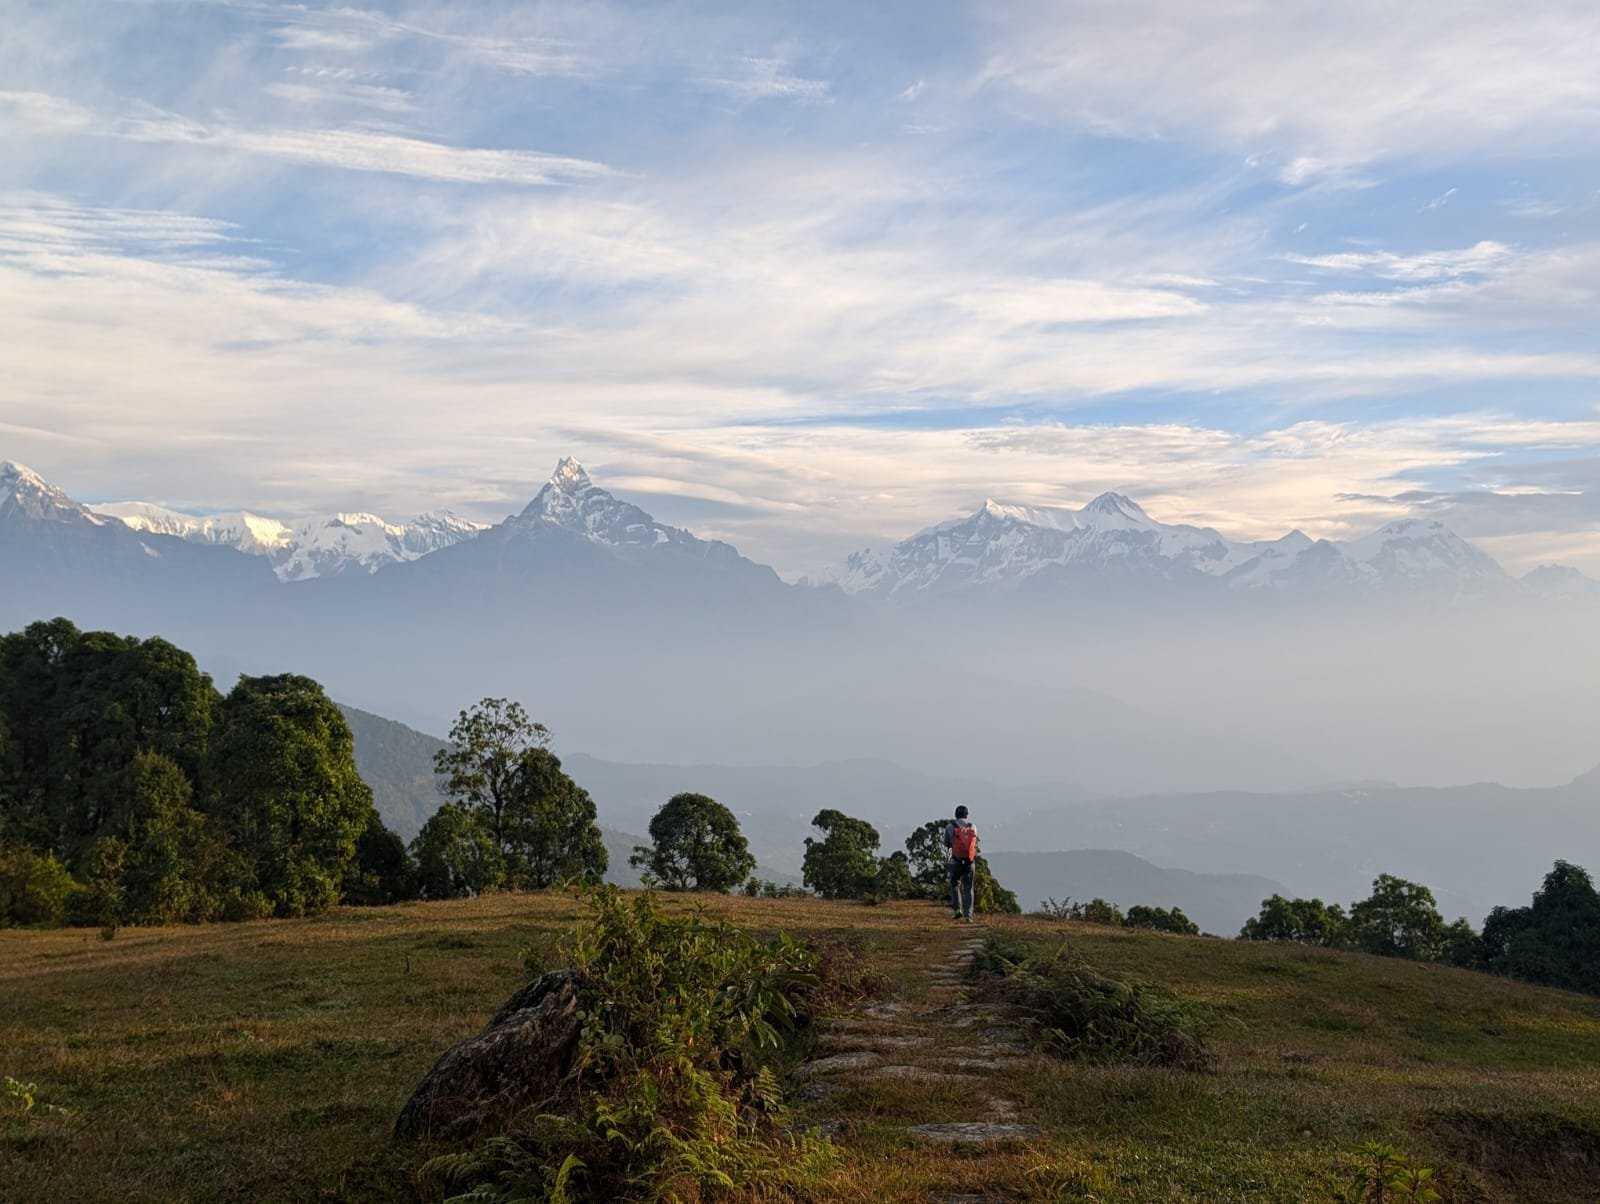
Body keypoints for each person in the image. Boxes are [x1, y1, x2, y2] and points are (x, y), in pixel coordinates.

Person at [942, 805, 979, 921]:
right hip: (969, 862)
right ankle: (968, 916)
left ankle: (958, 910)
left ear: (956, 815)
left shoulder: (950, 827)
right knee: (969, 888)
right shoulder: (973, 827)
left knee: (954, 885)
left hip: (955, 861)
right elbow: (975, 843)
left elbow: (946, 843)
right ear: (966, 815)